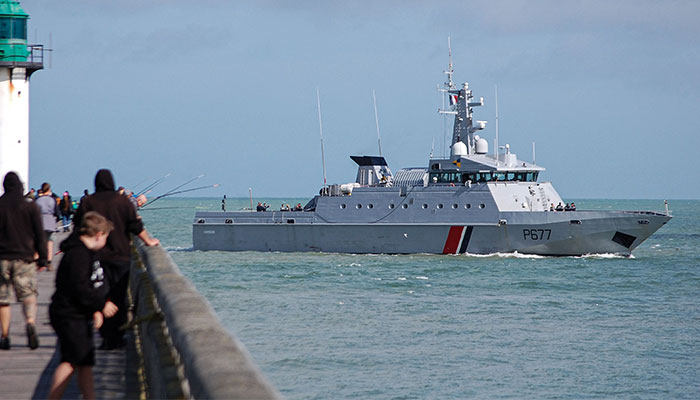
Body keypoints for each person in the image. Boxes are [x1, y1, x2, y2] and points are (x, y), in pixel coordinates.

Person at [72, 169, 159, 349]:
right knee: (118, 297)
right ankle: (117, 337)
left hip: (94, 256)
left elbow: (77, 225)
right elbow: (135, 225)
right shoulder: (122, 202)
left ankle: (104, 335)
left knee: (100, 296)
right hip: (121, 257)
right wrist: (148, 241)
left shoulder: (88, 202)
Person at [48, 211, 118, 399]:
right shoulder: (78, 255)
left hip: (80, 313)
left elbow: (94, 284)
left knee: (85, 362)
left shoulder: (90, 253)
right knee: (70, 361)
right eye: (106, 237)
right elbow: (80, 287)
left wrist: (95, 308)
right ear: (98, 234)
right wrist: (101, 305)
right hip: (69, 314)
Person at [0, 172, 47, 350]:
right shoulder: (30, 207)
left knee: (3, 298)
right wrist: (43, 258)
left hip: (2, 258)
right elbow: (39, 234)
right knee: (28, 294)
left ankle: (4, 335)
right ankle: (30, 322)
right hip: (24, 258)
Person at [35, 183, 60, 268]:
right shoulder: (52, 200)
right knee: (50, 241)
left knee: (39, 241)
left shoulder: (38, 200)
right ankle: (49, 261)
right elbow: (57, 212)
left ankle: (37, 259)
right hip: (50, 221)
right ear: (49, 189)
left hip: (40, 221)